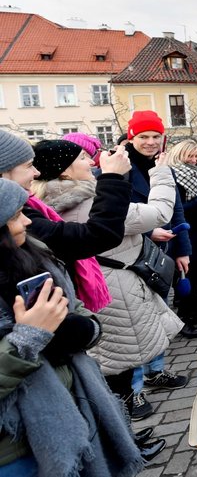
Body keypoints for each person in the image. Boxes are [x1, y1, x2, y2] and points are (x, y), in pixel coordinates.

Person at [0, 178, 145, 476]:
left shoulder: (30, 251)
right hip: (13, 446)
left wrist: (84, 329)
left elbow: (74, 306)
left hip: (73, 406)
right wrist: (28, 338)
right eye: (15, 215)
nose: (27, 221)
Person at [2, 131, 130, 316]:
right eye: (29, 165)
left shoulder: (28, 205)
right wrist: (112, 177)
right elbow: (96, 235)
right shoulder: (15, 217)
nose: (37, 172)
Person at [122, 111, 191, 414]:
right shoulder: (118, 169)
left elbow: (176, 211)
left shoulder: (166, 168)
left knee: (160, 311)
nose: (150, 142)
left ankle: (155, 370)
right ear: (131, 138)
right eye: (143, 137)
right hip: (130, 255)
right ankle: (132, 390)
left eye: (155, 137)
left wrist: (182, 249)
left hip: (163, 252)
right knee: (135, 324)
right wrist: (149, 229)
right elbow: (114, 214)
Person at [166, 140, 197, 332]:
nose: (194, 160)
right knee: (187, 277)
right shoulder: (176, 176)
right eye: (190, 156)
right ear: (180, 155)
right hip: (186, 232)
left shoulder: (196, 175)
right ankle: (185, 318)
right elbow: (177, 211)